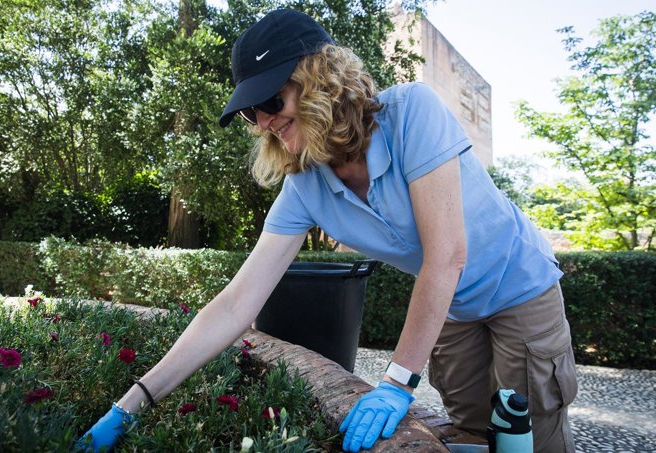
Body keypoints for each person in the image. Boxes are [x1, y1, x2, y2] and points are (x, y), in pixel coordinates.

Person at [78, 8, 578, 453]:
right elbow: (235, 305)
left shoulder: (413, 113)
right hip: (452, 310)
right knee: (470, 436)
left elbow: (447, 255)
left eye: (270, 100)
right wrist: (129, 405)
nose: (263, 122)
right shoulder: (303, 187)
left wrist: (396, 383)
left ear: (319, 79)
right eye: (252, 111)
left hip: (521, 288)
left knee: (530, 437)